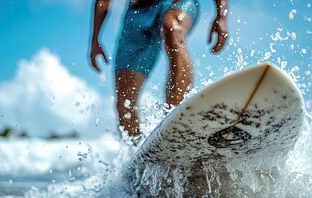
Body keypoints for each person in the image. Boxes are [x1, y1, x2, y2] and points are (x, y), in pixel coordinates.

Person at [89, 0, 228, 139]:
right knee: (124, 105)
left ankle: (177, 124)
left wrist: (221, 16)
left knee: (171, 26)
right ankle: (139, 150)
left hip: (177, 3)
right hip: (137, 14)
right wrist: (95, 40)